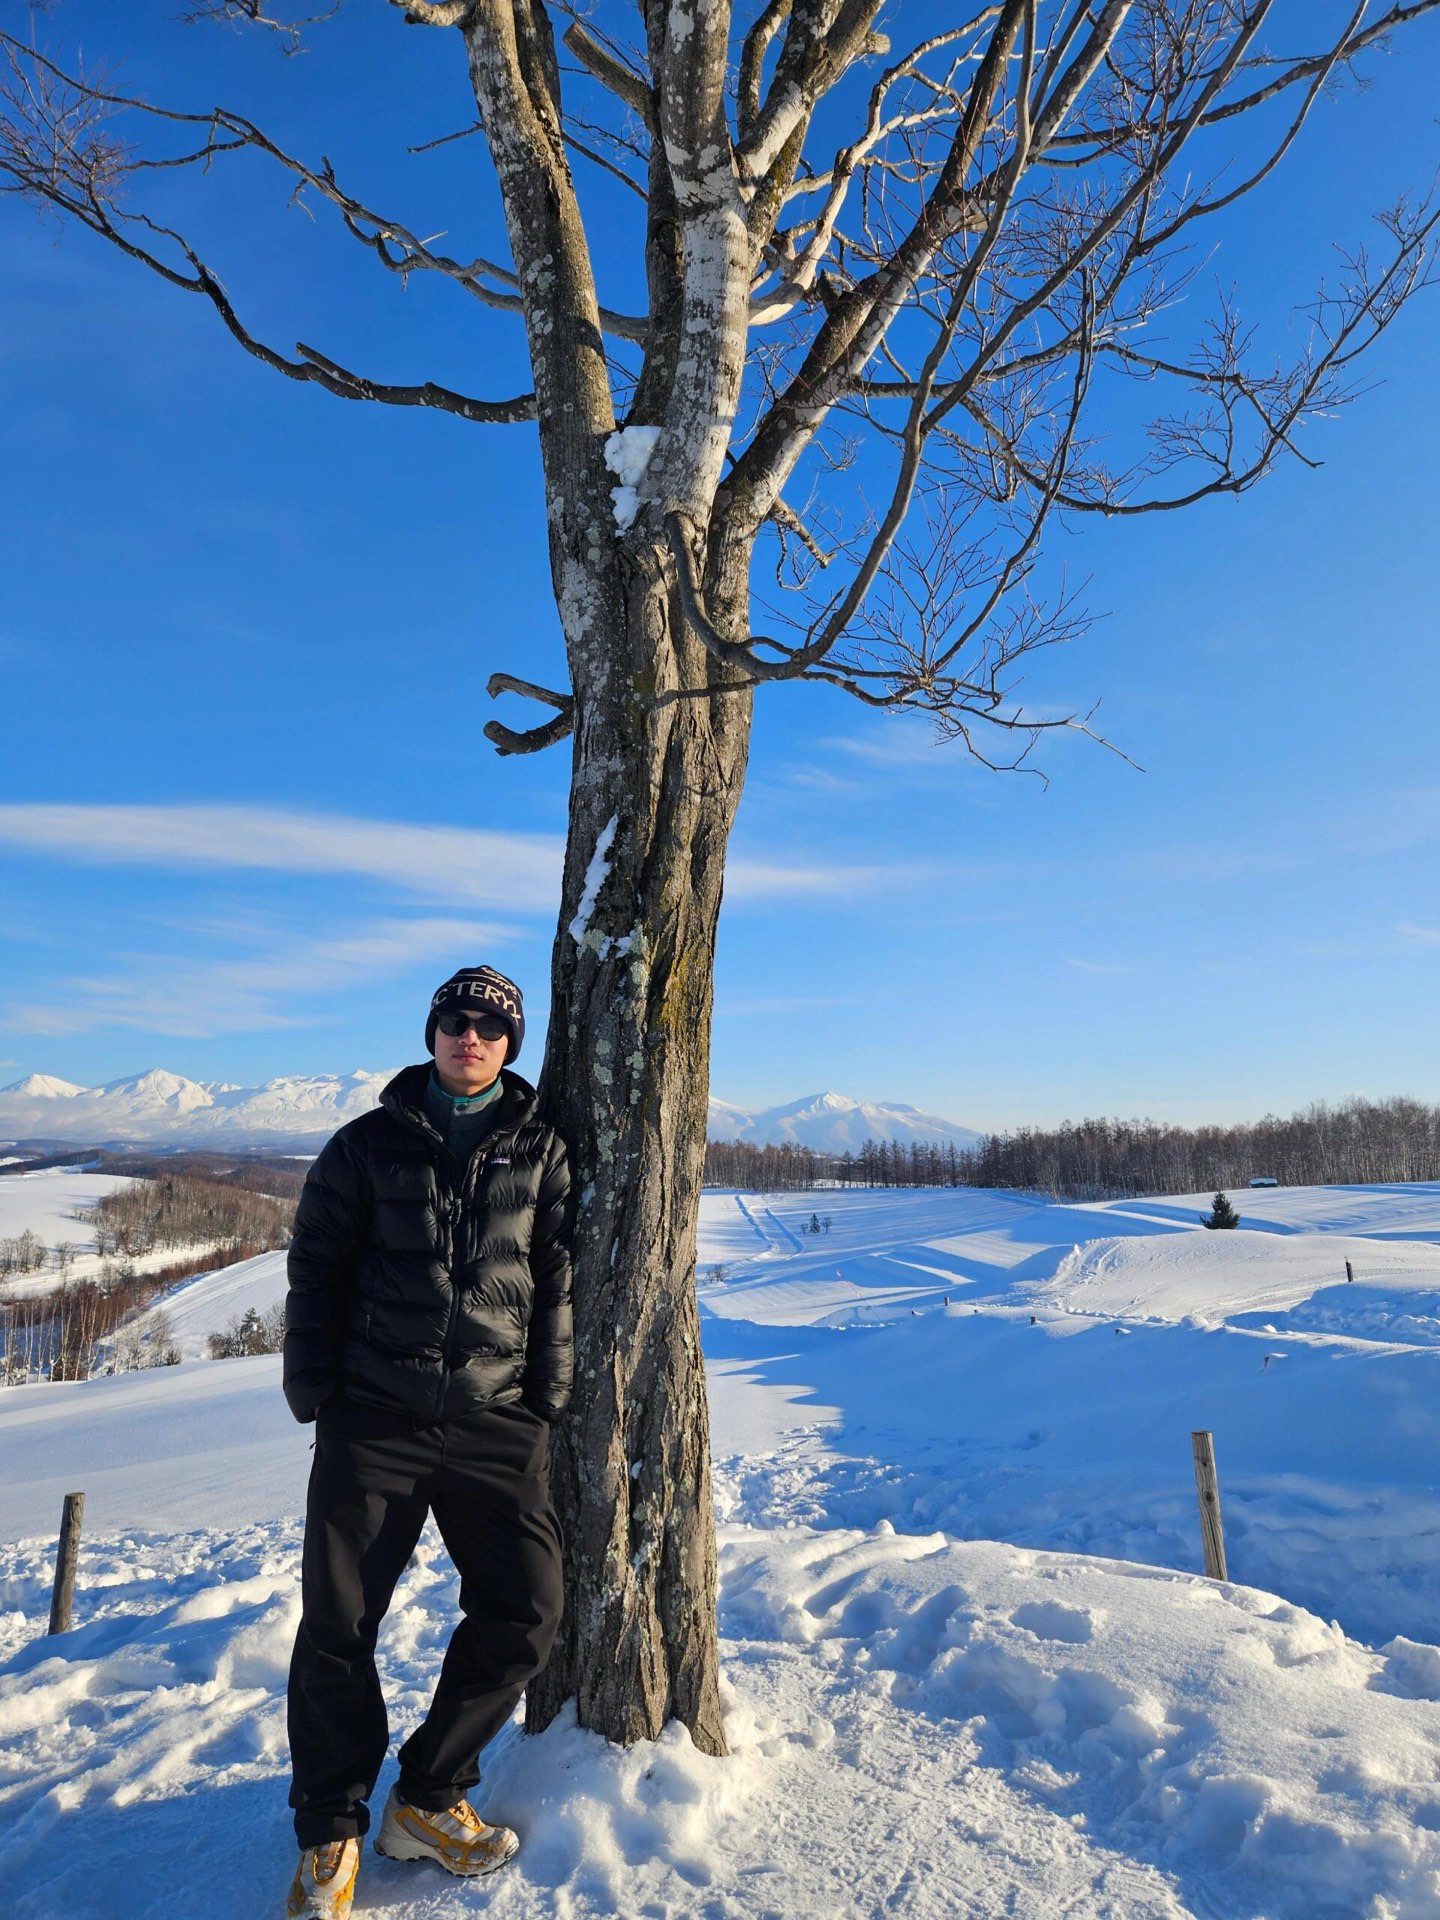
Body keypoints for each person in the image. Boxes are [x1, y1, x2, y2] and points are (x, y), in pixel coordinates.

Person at [280, 965, 572, 1920]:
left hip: (495, 1420)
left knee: (527, 1610)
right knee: (339, 1624)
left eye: (489, 1024)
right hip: (375, 1420)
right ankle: (330, 1831)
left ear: (510, 1044)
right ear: (432, 1032)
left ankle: (427, 1794)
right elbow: (316, 1268)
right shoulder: (365, 1145)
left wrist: (543, 1401)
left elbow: (555, 1281)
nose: (468, 1035)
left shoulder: (541, 1150)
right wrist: (316, 1390)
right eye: (454, 1019)